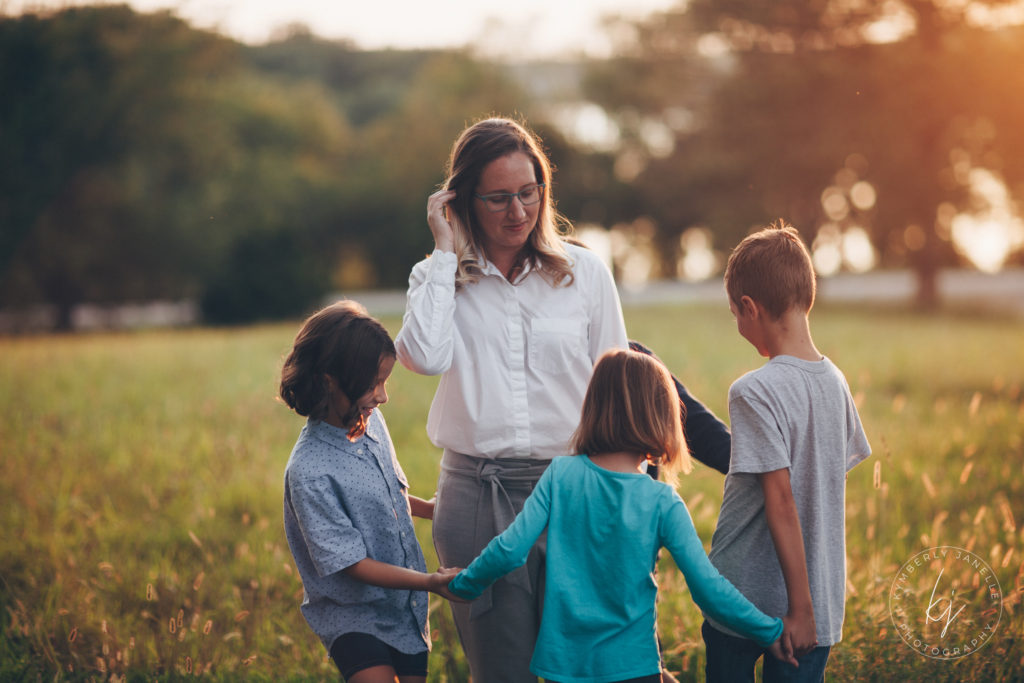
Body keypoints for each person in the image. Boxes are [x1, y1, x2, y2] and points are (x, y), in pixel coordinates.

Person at [394, 116, 630, 682]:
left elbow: (619, 395)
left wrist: (623, 502)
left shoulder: (585, 272)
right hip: (476, 498)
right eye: (498, 198)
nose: (517, 212)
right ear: (463, 200)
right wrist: (445, 251)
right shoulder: (436, 276)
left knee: (596, 669)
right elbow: (423, 358)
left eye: (527, 194)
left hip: (575, 492)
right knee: (503, 674)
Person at [446, 349, 797, 683]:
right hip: (634, 667)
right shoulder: (662, 500)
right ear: (662, 416)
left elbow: (510, 549)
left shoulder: (560, 475)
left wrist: (463, 584)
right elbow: (708, 590)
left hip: (563, 668)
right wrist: (770, 630)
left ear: (593, 405)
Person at [702, 224, 871, 682]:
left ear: (749, 308)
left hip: (747, 599)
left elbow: (781, 499)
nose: (738, 326)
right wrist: (810, 605)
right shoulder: (836, 382)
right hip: (818, 601)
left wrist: (798, 609)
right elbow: (830, 480)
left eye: (736, 315)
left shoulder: (753, 390)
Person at [279, 300, 460, 683]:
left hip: (402, 606)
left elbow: (384, 497)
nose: (383, 396)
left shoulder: (371, 422)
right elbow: (352, 564)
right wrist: (430, 581)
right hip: (351, 614)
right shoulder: (309, 470)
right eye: (374, 383)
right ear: (331, 380)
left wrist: (428, 509)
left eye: (385, 381)